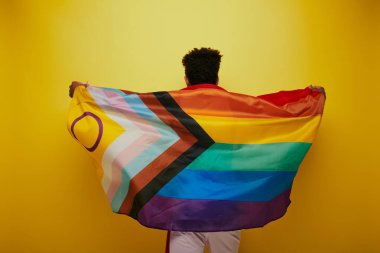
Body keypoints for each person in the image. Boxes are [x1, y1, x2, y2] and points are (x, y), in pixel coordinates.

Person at [69, 47, 325, 253]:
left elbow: (128, 106)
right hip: (229, 213)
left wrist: (87, 93)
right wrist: (310, 97)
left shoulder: (168, 108)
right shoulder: (241, 109)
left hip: (183, 212)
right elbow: (276, 108)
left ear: (186, 77)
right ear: (216, 76)